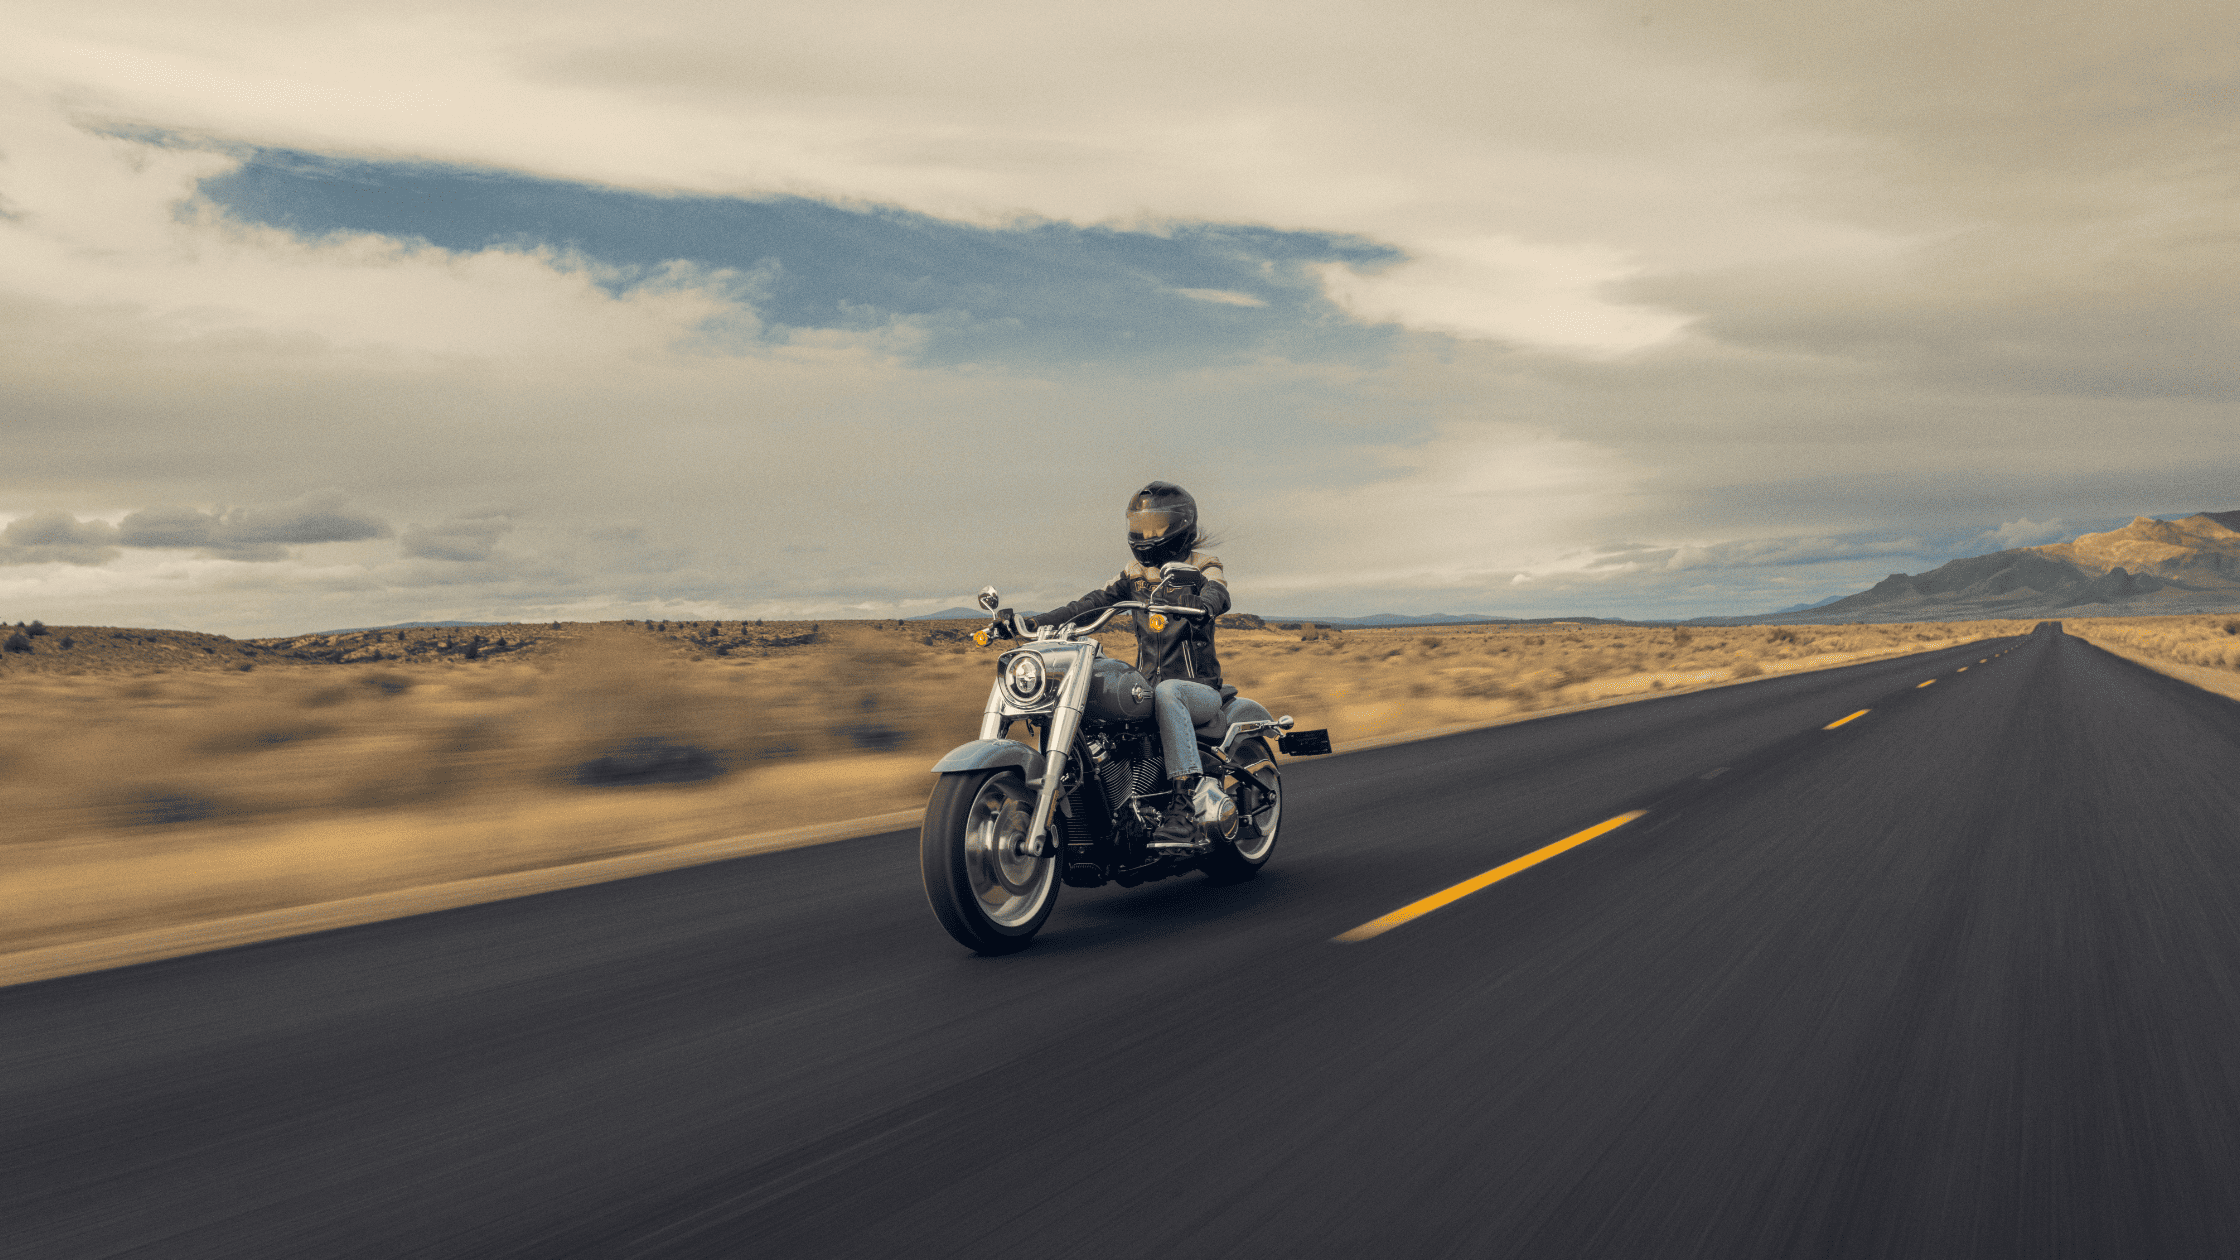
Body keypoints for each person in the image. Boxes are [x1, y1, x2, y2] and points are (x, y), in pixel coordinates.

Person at [1013, 481, 1234, 851]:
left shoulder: (1201, 566)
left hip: (1198, 690)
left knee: (1167, 691)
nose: (1148, 535)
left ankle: (1184, 807)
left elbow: (1218, 590)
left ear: (1182, 526)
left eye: (1158, 525)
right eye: (1141, 525)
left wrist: (1205, 603)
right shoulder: (1132, 574)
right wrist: (1035, 623)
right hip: (1148, 687)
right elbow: (1092, 602)